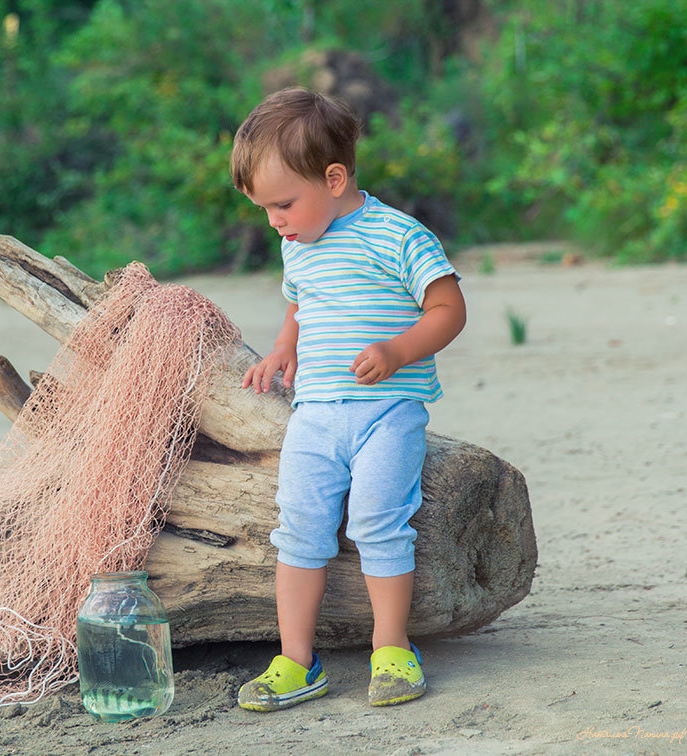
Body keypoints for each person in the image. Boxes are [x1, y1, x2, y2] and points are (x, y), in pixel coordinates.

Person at [231, 87, 467, 710]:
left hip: (388, 412)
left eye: (283, 203)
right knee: (300, 527)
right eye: (264, 209)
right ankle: (295, 660)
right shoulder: (297, 244)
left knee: (376, 522)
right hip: (315, 414)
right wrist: (284, 346)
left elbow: (449, 308)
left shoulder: (397, 235)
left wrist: (398, 350)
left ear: (333, 178)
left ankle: (392, 647)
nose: (275, 220)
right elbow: (301, 302)